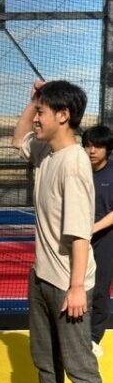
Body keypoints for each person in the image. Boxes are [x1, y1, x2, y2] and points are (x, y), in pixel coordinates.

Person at [3, 80, 112, 383]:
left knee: (80, 365)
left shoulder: (74, 164)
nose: (36, 119)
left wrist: (77, 286)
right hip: (42, 276)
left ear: (63, 116)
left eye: (43, 113)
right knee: (45, 357)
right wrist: (34, 98)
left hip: (68, 283)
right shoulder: (47, 152)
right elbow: (17, 138)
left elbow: (80, 234)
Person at [82, 125, 113, 358]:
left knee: (100, 289)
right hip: (77, 237)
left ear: (108, 149)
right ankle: (74, 333)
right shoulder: (77, 170)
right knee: (74, 286)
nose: (92, 151)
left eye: (98, 146)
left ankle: (93, 338)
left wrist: (93, 228)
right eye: (88, 145)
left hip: (105, 238)